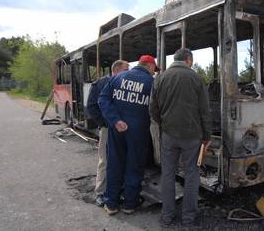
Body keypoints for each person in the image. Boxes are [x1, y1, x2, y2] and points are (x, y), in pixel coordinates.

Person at [149, 48, 212, 227]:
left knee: (168, 173)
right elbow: (204, 111)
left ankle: (167, 215)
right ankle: (188, 217)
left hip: (169, 134)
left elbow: (152, 109)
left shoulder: (160, 78)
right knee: (192, 173)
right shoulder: (196, 78)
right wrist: (206, 135)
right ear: (188, 60)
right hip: (192, 135)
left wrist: (164, 123)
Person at [98, 54, 159, 215]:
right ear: (150, 66)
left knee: (115, 164)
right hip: (139, 133)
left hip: (117, 130)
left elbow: (103, 99)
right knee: (135, 166)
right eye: (154, 70)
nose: (154, 73)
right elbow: (157, 109)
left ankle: (111, 204)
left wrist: (115, 120)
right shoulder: (152, 83)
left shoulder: (118, 78)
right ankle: (130, 204)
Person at [86, 60, 129, 207]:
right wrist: (104, 124)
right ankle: (100, 192)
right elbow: (91, 106)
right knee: (105, 160)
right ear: (116, 70)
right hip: (108, 129)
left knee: (121, 159)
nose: (128, 71)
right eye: (126, 69)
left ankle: (118, 189)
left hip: (122, 128)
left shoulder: (124, 84)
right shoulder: (100, 84)